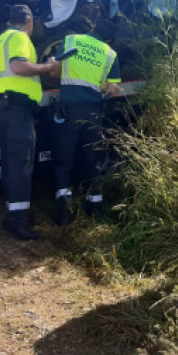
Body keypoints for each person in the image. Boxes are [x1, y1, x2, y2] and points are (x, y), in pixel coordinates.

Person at [0, 5, 61, 240]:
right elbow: (19, 67)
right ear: (29, 23)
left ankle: (13, 212)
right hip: (17, 108)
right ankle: (17, 222)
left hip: (3, 106)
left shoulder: (0, 40)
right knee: (22, 164)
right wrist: (48, 67)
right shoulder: (19, 37)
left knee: (11, 163)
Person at [51, 18, 121, 226]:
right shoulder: (110, 54)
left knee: (63, 160)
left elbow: (55, 69)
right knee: (94, 160)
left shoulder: (71, 40)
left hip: (68, 111)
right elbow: (113, 89)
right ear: (108, 38)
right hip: (93, 113)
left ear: (93, 27)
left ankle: (64, 213)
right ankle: (95, 210)